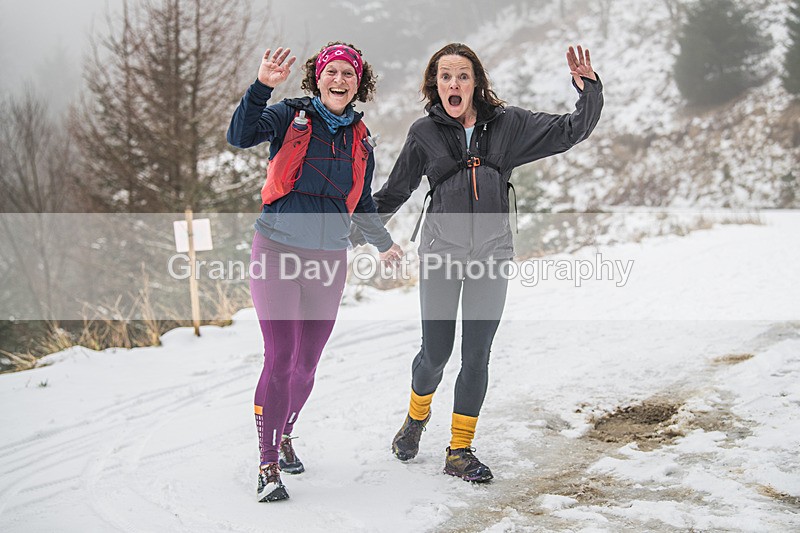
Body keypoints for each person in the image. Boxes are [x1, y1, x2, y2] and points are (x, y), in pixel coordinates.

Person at [356, 42, 603, 482]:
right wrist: (357, 231)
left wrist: (589, 91)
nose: (454, 83)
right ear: (436, 84)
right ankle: (416, 418)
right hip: (440, 254)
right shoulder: (424, 133)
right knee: (435, 353)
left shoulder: (509, 126)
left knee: (476, 356)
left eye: (463, 76)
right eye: (446, 76)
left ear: (476, 83)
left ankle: (459, 450)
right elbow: (395, 192)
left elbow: (570, 131)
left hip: (492, 254)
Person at [227, 43, 403, 502]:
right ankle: (267, 465)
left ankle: (285, 433)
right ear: (318, 77)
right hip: (278, 251)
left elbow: (362, 202)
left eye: (348, 73)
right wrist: (262, 85)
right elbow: (240, 135)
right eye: (332, 72)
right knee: (280, 357)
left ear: (358, 82)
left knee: (306, 366)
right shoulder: (289, 114)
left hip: (328, 260)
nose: (339, 79)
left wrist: (384, 244)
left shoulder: (362, 139)